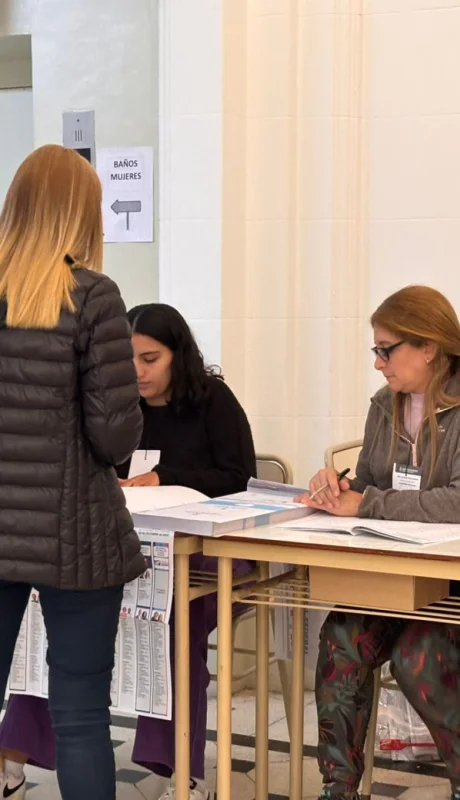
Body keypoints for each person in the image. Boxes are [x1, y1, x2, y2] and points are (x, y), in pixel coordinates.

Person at [0, 303, 256, 800]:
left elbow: (239, 476)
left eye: (150, 358)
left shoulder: (212, 400)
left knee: (175, 624)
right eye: (128, 359)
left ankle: (177, 768)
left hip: (199, 554)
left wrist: (169, 478)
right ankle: (14, 755)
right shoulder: (112, 402)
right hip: (114, 543)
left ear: (178, 357)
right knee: (39, 616)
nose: (137, 371)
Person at [0, 144, 146, 800]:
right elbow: (115, 434)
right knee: (82, 717)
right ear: (81, 214)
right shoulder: (93, 297)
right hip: (76, 534)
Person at [297, 286, 460, 800]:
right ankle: (339, 790)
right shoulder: (382, 407)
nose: (378, 365)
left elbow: (457, 502)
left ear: (429, 347)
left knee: (420, 655)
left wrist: (365, 503)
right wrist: (338, 489)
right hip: (391, 578)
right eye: (376, 351)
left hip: (449, 586)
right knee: (340, 641)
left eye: (386, 350)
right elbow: (366, 483)